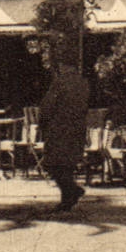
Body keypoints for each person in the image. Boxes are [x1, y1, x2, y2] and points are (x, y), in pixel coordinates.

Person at [38, 54, 89, 212]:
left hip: (59, 129)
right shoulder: (83, 83)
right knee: (67, 165)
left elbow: (48, 105)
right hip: (77, 128)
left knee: (53, 164)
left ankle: (71, 191)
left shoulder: (60, 83)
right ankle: (68, 196)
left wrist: (43, 122)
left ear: (63, 65)